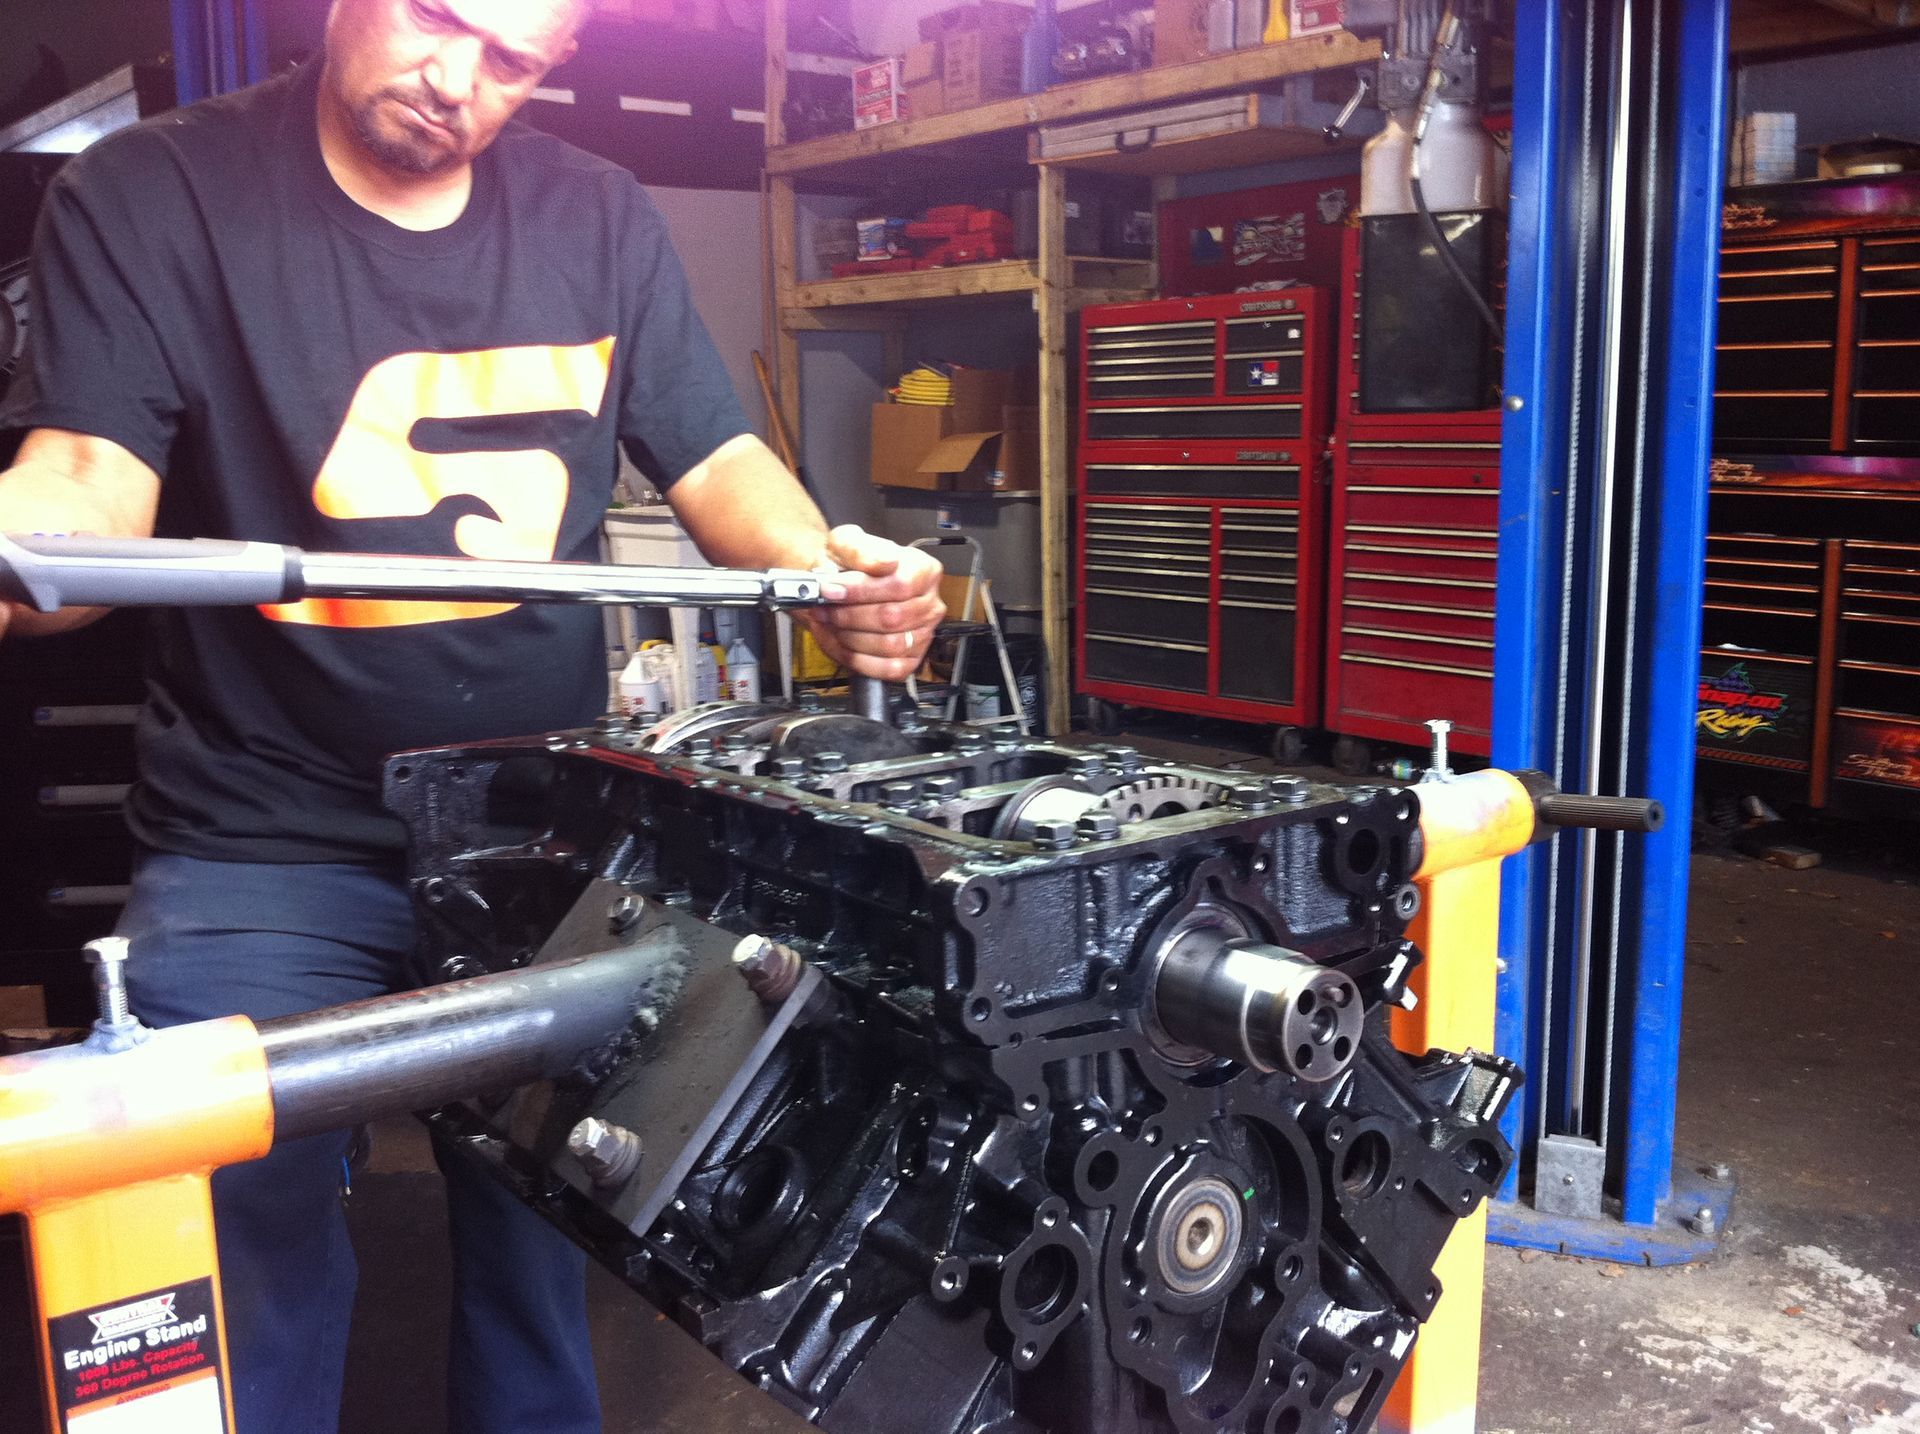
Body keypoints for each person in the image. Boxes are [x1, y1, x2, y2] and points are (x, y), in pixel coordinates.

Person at [0, 1, 944, 1430]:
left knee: (556, 1225)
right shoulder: (152, 193)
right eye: (439, 21)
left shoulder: (596, 216)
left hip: (532, 828)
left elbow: (718, 452)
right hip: (260, 831)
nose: (460, 79)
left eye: (515, 59)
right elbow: (80, 487)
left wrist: (827, 570)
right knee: (230, 1253)